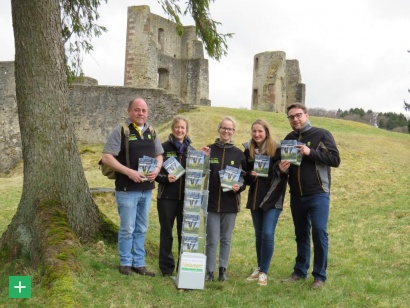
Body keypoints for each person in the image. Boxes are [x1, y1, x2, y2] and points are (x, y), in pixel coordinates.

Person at [279, 103, 340, 289]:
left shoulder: (321, 134)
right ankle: (299, 272)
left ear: (306, 115)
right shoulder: (288, 139)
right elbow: (280, 165)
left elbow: (335, 159)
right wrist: (280, 169)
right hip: (296, 195)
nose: (295, 119)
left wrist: (309, 152)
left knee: (319, 232)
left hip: (318, 194)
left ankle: (319, 276)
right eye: (291, 117)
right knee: (301, 235)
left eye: (298, 115)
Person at [101, 98, 163, 276]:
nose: (141, 113)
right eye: (137, 110)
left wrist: (157, 169)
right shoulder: (121, 131)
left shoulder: (152, 132)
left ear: (147, 112)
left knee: (142, 228)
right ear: (129, 111)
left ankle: (139, 263)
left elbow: (159, 155)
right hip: (127, 189)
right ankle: (126, 262)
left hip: (146, 189)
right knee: (127, 228)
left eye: (144, 110)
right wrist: (129, 172)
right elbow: (106, 157)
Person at [243, 119, 288, 286]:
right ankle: (260, 267)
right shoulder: (248, 150)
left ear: (266, 132)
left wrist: (282, 170)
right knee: (259, 235)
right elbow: (245, 177)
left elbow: (284, 174)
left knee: (268, 234)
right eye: (254, 131)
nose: (257, 134)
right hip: (255, 197)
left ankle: (264, 272)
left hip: (273, 198)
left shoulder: (277, 149)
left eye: (260, 131)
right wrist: (250, 175)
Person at [203, 116, 247, 282]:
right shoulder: (209, 149)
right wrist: (204, 157)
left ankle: (223, 270)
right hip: (212, 202)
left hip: (230, 203)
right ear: (219, 129)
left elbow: (243, 178)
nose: (226, 131)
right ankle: (210, 271)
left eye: (230, 129)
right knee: (212, 239)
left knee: (226, 239)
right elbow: (201, 172)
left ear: (233, 131)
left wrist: (239, 187)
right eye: (224, 128)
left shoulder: (239, 154)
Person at [155, 116, 192, 276]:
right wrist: (165, 178)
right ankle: (166, 268)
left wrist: (203, 160)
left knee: (184, 235)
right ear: (172, 128)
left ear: (186, 130)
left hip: (186, 199)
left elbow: (199, 174)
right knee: (167, 233)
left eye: (183, 128)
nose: (180, 130)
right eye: (177, 127)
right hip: (166, 198)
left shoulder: (192, 151)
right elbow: (154, 173)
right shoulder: (162, 148)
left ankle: (183, 267)